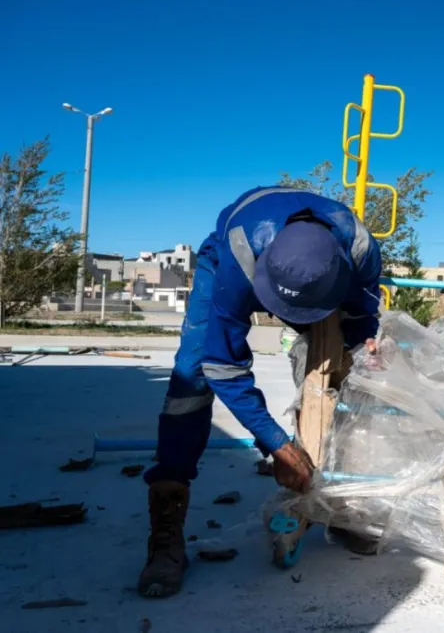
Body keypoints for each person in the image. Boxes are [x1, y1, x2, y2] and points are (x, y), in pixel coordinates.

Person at [138, 186, 382, 598]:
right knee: (191, 378)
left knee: (347, 372)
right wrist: (276, 444)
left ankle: (334, 502)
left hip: (318, 273)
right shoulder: (239, 255)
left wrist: (366, 346)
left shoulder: (359, 249)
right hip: (228, 260)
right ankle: (167, 519)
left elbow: (362, 318)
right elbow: (224, 365)